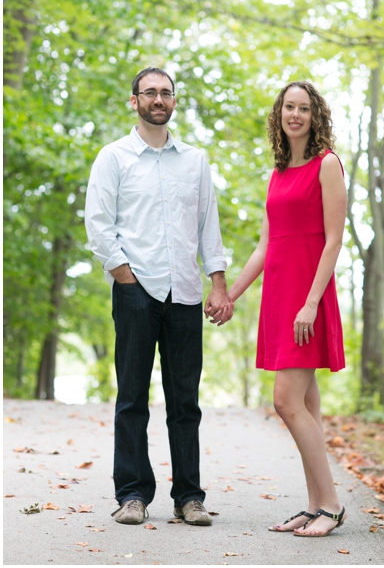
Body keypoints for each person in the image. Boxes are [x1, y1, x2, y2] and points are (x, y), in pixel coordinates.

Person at [85, 67, 232, 526]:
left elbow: (209, 225)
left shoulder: (195, 161)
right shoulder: (114, 158)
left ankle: (189, 497)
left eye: (165, 93)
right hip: (135, 292)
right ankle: (131, 495)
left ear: (173, 101)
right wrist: (124, 276)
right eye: (149, 92)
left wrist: (219, 282)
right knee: (132, 397)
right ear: (134, 101)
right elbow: (98, 223)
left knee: (184, 401)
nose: (158, 99)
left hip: (185, 294)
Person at [227, 80, 348, 537]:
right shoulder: (278, 173)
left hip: (307, 298)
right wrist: (230, 295)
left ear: (316, 115)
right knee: (307, 408)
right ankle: (315, 503)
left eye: (304, 108)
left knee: (285, 401)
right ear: (279, 115)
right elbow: (265, 245)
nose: (295, 114)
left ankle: (332, 506)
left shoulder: (327, 164)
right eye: (288, 107)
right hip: (280, 296)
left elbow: (333, 240)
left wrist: (311, 303)